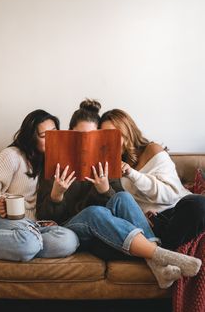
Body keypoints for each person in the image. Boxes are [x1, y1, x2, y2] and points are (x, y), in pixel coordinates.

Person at [36, 100, 201, 289]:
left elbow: (118, 207)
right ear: (70, 134)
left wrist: (104, 189)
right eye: (79, 136)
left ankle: (157, 264)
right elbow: (44, 219)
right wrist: (56, 196)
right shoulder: (55, 162)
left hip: (101, 224)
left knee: (122, 197)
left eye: (91, 138)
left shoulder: (108, 164)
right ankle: (160, 255)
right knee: (95, 212)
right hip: (71, 227)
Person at [0, 109, 79, 261]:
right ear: (31, 138)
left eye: (54, 132)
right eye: (44, 136)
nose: (51, 139)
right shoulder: (12, 156)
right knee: (29, 242)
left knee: (69, 240)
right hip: (4, 219)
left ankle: (21, 246)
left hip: (32, 225)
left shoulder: (55, 162)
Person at [99, 108, 205, 250]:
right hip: (153, 225)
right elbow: (124, 205)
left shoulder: (152, 150)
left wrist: (132, 173)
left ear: (127, 131)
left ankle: (164, 253)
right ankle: (163, 252)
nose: (111, 142)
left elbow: (170, 194)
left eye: (114, 135)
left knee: (198, 203)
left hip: (178, 210)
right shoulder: (112, 166)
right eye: (104, 137)